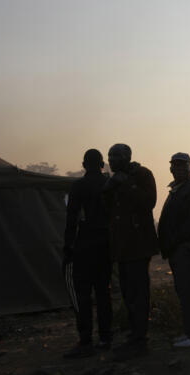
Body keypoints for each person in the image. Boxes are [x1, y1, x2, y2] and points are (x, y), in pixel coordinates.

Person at [102, 143, 159, 361]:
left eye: (116, 156)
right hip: (122, 246)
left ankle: (140, 339)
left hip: (138, 245)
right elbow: (107, 207)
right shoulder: (114, 179)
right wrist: (110, 186)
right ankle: (134, 335)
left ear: (127, 157)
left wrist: (126, 184)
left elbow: (148, 203)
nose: (112, 160)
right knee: (127, 293)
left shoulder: (142, 174)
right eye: (110, 156)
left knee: (138, 293)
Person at [62, 149, 113, 358]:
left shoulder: (79, 186)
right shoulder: (109, 184)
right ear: (102, 164)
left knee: (83, 295)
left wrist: (68, 248)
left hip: (84, 245)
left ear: (84, 164)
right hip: (106, 245)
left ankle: (85, 340)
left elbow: (72, 220)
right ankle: (106, 337)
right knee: (103, 293)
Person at [157, 153, 190, 348]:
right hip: (179, 249)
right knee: (185, 292)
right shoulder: (178, 189)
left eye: (182, 166)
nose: (178, 169)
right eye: (175, 166)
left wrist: (174, 242)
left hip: (187, 249)